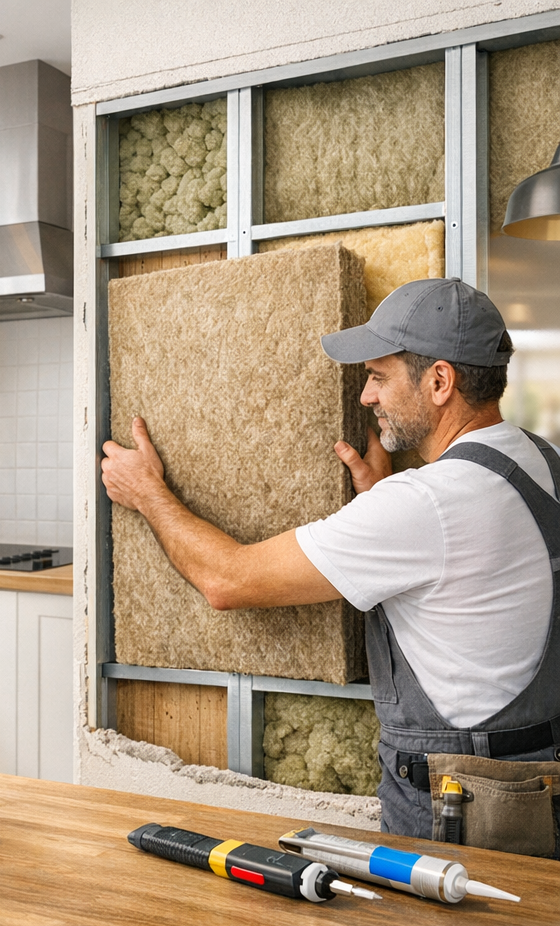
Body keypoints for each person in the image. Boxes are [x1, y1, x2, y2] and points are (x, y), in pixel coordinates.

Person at [101, 277, 560, 845]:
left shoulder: (428, 502)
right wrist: (379, 502)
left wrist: (147, 492)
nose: (366, 396)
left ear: (440, 381)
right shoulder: (541, 461)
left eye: (377, 376)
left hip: (461, 806)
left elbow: (227, 580)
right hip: (538, 786)